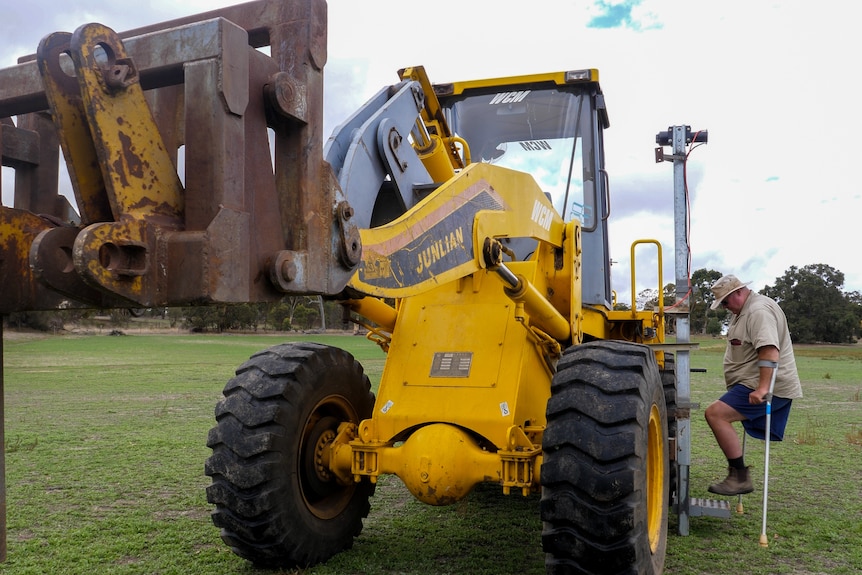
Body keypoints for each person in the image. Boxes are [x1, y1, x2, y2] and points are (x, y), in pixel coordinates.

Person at [704, 274, 802, 496]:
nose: (725, 308)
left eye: (726, 302)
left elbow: (769, 351)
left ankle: (739, 477)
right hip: (751, 383)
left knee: (716, 414)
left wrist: (763, 389)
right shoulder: (743, 311)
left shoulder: (758, 311)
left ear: (738, 292)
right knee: (717, 414)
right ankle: (737, 474)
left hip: (765, 386)